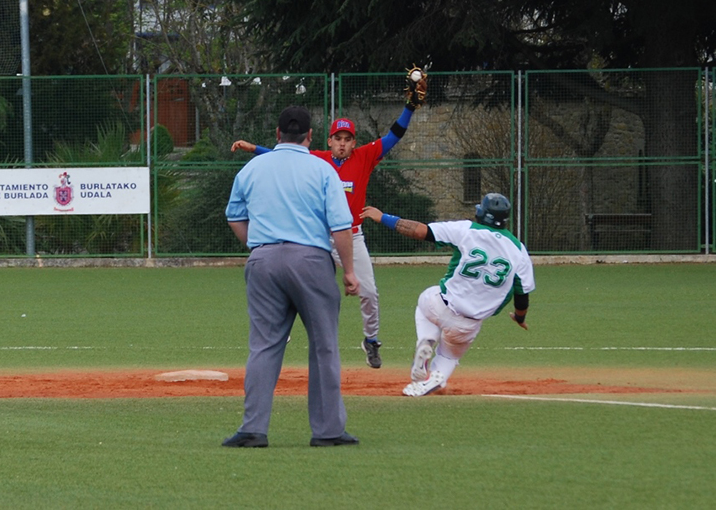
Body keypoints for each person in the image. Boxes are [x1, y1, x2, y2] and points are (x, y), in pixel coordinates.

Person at [231, 74, 428, 369]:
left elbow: (394, 135)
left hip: (352, 236)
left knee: (370, 293)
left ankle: (371, 340)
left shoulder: (366, 156)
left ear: (354, 143)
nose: (343, 144)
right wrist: (253, 149)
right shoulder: (318, 159)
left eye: (348, 139)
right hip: (318, 238)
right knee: (300, 287)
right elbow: (283, 154)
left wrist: (409, 108)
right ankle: (279, 332)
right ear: (329, 140)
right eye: (338, 138)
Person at [223, 105, 361, 448]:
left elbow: (234, 217)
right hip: (311, 261)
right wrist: (350, 271)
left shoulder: (252, 168)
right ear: (311, 136)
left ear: (276, 133)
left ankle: (253, 429)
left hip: (264, 262)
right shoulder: (323, 169)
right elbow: (341, 226)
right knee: (324, 346)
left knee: (264, 346)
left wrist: (257, 248)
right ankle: (328, 431)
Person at [360, 193, 535, 397]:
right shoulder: (519, 250)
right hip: (468, 324)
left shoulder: (466, 230)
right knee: (450, 356)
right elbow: (522, 294)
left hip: (440, 305)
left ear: (483, 214)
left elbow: (420, 231)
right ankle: (436, 378)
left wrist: (383, 218)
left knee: (425, 300)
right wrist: (520, 317)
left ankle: (426, 341)